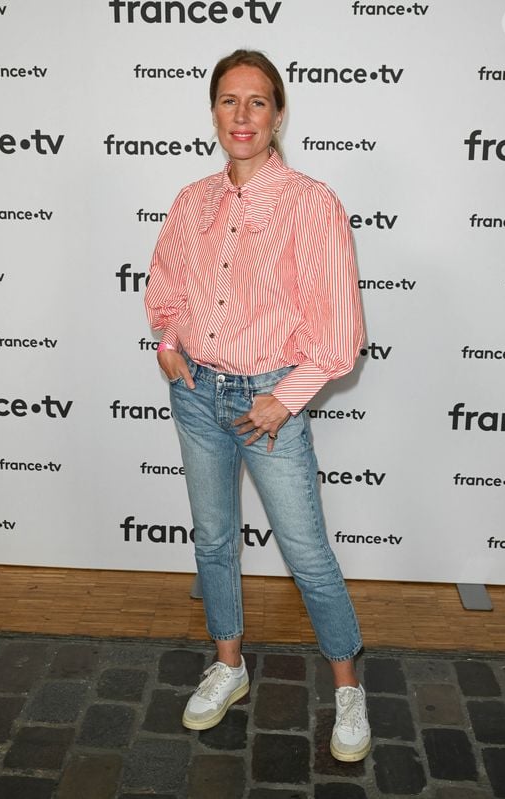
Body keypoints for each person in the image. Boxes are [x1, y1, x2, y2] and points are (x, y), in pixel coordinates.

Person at [144, 49, 369, 762]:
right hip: (196, 394)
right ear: (213, 110)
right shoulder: (191, 200)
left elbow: (340, 335)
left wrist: (283, 400)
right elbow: (166, 284)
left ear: (279, 113)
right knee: (212, 539)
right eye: (229, 101)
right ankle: (229, 665)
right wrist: (168, 339)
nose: (242, 116)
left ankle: (347, 687)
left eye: (258, 102)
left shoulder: (311, 203)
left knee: (306, 552)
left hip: (268, 398)